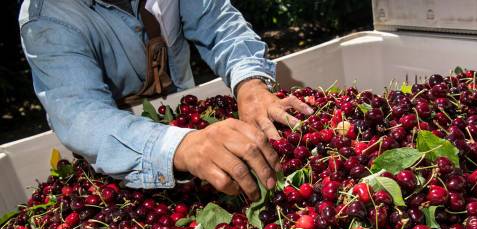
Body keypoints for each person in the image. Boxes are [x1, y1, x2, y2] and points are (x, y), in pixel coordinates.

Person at [19, 0, 313, 200]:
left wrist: (250, 85)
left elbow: (218, 24)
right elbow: (81, 115)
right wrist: (182, 146)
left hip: (192, 122)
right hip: (122, 157)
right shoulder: (47, 18)